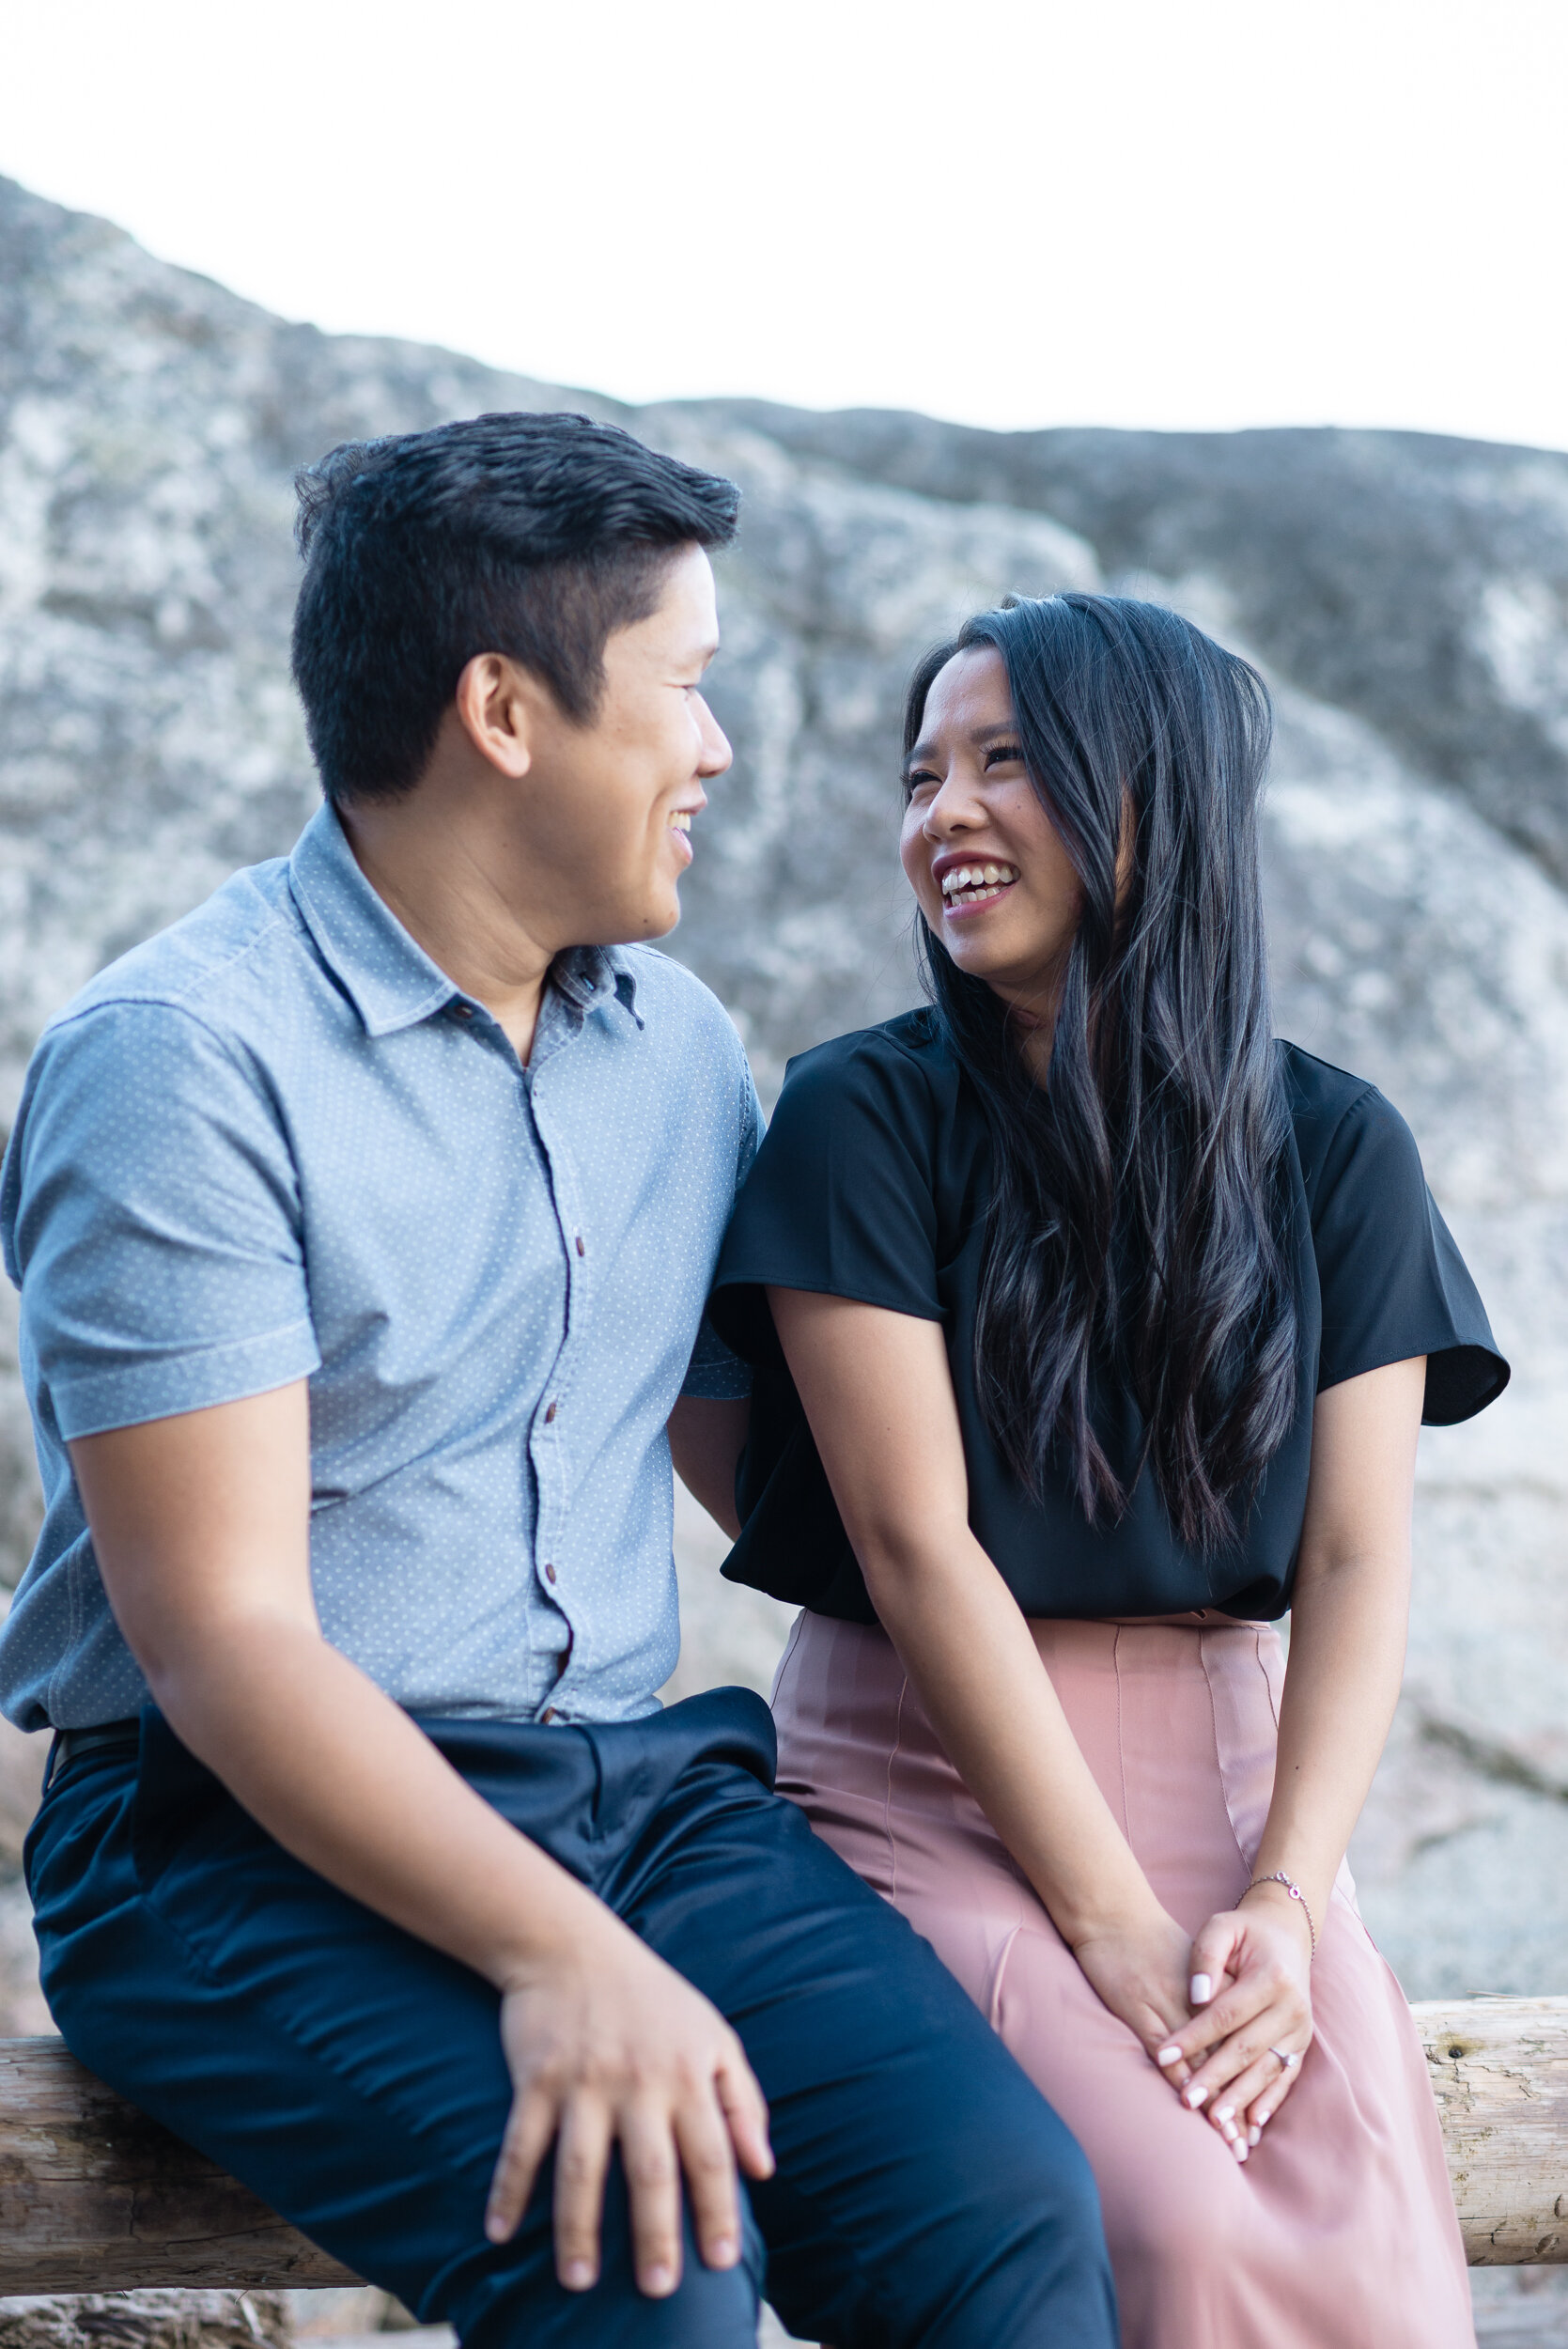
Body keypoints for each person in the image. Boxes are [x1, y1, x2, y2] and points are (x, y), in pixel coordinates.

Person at [0, 418, 1120, 2349]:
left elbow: (749, 1469)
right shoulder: (181, 1062)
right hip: (220, 1831)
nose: (719, 748)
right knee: (647, 2270)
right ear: (505, 711)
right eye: (686, 686)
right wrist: (558, 1953)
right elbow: (226, 1641)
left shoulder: (671, 1044)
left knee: (1007, 2212)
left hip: (635, 1790)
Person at [706, 592, 1509, 2349]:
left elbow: (1360, 1562)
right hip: (930, 1783)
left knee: (1373, 2251)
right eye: (922, 775)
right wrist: (1107, 1924)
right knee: (1170, 2227)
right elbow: (913, 1547)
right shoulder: (864, 1113)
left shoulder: (1337, 1141)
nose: (944, 816)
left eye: (1005, 763)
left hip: (1239, 1798)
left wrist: (1289, 1904)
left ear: (1151, 795)